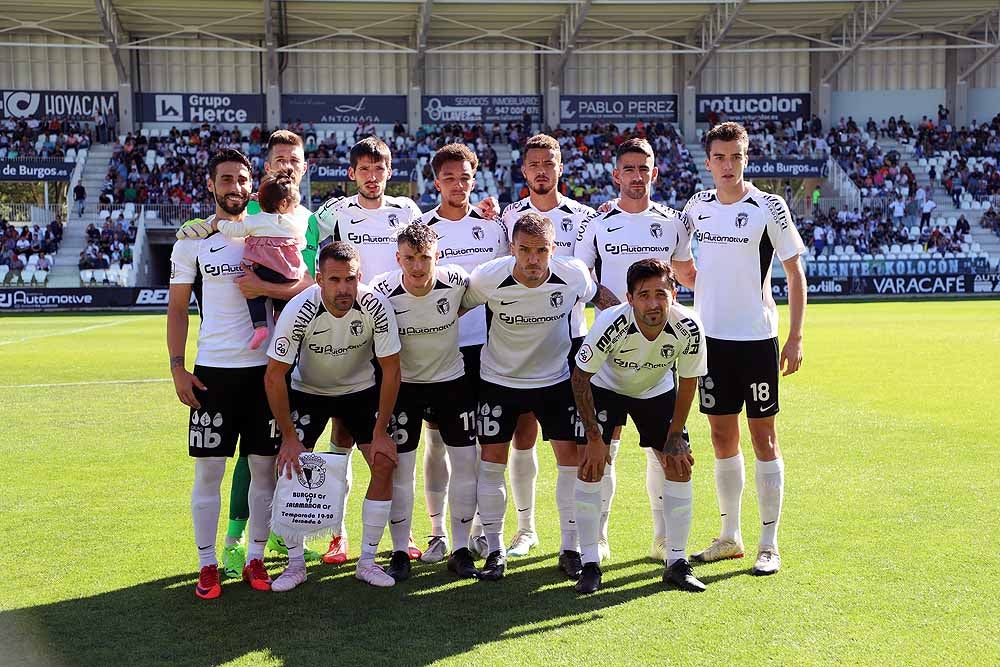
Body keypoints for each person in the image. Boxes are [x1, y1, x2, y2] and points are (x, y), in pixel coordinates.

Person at [178, 132, 318, 573]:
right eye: (226, 180)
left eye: (241, 180)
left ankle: (256, 556)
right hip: (212, 374)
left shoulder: (291, 221)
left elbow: (311, 280)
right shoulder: (194, 240)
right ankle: (209, 562)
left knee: (264, 469)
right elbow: (177, 309)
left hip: (268, 371)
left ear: (251, 183)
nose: (234, 187)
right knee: (210, 474)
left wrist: (265, 288)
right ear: (211, 185)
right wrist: (176, 368)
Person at [676, 121, 807, 576]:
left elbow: (794, 273)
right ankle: (730, 536)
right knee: (720, 437)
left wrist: (795, 336)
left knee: (763, 438)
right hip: (710, 342)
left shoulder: (768, 206)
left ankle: (768, 544)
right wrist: (695, 280)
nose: (727, 165)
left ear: (745, 158)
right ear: (708, 161)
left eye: (735, 156)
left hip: (756, 340)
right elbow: (677, 253)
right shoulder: (697, 206)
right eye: (719, 157)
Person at [463, 212, 618, 582]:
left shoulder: (574, 273)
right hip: (498, 378)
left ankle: (569, 548)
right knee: (492, 461)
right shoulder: (489, 276)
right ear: (512, 248)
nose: (533, 259)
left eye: (541, 251)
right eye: (525, 250)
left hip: (555, 379)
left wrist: (628, 326)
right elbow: (455, 306)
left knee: (570, 460)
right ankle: (496, 550)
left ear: (553, 249)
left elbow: (604, 300)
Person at [574, 137, 690, 562]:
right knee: (608, 443)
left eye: (644, 168)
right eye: (629, 169)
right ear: (615, 174)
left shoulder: (672, 222)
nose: (637, 176)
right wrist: (605, 299)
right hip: (610, 346)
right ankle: (600, 537)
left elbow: (684, 272)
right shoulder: (599, 222)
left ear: (654, 173)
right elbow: (581, 272)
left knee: (662, 448)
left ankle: (662, 539)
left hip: (659, 349)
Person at [265, 241, 402, 590]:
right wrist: (290, 438)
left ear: (360, 277)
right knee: (287, 467)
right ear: (319, 279)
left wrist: (382, 429)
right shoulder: (299, 310)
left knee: (384, 462)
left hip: (360, 391)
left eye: (351, 279)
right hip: (309, 392)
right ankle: (295, 564)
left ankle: (367, 561)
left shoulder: (375, 306)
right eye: (335, 280)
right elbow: (274, 375)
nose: (344, 288)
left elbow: (391, 369)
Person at [571, 259, 707, 594]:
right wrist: (594, 438)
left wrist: (676, 436)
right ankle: (589, 563)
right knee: (591, 467)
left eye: (661, 294)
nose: (653, 303)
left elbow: (688, 380)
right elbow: (580, 378)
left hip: (655, 389)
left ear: (673, 294)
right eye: (644, 295)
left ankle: (676, 562)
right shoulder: (610, 322)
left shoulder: (689, 326)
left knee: (679, 465)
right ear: (629, 298)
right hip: (605, 388)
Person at [497, 133, 597, 560]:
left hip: (568, 339)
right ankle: (524, 528)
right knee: (522, 436)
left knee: (568, 445)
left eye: (549, 162)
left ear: (560, 168)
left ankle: (573, 541)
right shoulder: (505, 216)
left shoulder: (587, 218)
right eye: (534, 163)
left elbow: (594, 279)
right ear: (524, 170)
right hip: (517, 340)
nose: (542, 169)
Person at [370, 223, 481, 580]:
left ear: (438, 256)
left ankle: (461, 549)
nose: (418, 267)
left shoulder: (456, 281)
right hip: (404, 389)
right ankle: (400, 551)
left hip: (452, 382)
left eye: (425, 258)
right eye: (410, 259)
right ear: (397, 258)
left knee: (466, 464)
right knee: (401, 469)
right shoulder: (382, 291)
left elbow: (468, 302)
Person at [419, 142, 507, 562]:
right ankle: (436, 531)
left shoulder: (493, 227)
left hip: (485, 349)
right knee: (436, 442)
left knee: (472, 444)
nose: (458, 185)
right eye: (449, 178)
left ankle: (472, 530)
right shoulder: (422, 228)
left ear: (475, 179)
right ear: (436, 181)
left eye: (465, 177)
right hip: (436, 350)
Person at [203, 170, 308, 350]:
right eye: (294, 206)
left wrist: (218, 223)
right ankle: (281, 326)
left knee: (254, 296)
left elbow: (234, 231)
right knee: (283, 303)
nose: (294, 210)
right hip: (288, 273)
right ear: (283, 204)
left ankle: (260, 327)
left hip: (263, 270)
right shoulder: (294, 223)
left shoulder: (256, 220)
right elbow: (303, 243)